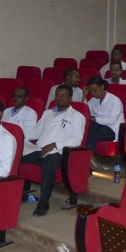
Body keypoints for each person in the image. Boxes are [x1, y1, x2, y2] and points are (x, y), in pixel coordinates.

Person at [21, 85, 85, 216]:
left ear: (70, 98)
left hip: (60, 153)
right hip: (39, 149)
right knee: (17, 158)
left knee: (49, 163)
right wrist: (19, 135)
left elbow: (76, 140)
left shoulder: (77, 116)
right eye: (57, 95)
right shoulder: (47, 113)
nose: (59, 98)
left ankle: (43, 203)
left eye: (63, 95)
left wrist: (54, 145)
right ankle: (20, 194)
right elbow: (36, 131)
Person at [85, 76, 124, 154]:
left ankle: (88, 155)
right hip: (97, 126)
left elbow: (111, 120)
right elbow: (84, 111)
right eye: (90, 91)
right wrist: (84, 96)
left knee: (91, 130)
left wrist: (95, 119)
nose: (92, 93)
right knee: (89, 127)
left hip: (112, 129)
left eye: (94, 90)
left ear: (102, 87)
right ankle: (89, 156)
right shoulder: (93, 100)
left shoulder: (115, 101)